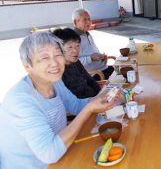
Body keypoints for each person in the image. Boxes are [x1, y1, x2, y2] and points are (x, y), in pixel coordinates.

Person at [0, 32, 119, 169]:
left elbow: (76, 105)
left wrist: (107, 94)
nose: (54, 63)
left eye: (58, 55)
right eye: (44, 57)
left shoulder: (54, 82)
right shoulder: (21, 101)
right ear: (27, 66)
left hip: (62, 152)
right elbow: (49, 153)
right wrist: (89, 109)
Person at [52, 28, 101, 98]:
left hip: (94, 99)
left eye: (77, 46)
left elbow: (90, 80)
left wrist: (101, 94)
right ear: (58, 49)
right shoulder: (57, 71)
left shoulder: (76, 62)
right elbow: (70, 101)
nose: (75, 50)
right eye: (70, 47)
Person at [72, 8, 115, 80]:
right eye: (85, 19)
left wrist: (102, 57)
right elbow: (74, 63)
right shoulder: (73, 39)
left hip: (102, 69)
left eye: (89, 19)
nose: (88, 22)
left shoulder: (87, 34)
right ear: (76, 22)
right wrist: (91, 58)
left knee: (127, 72)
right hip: (94, 75)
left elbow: (92, 52)